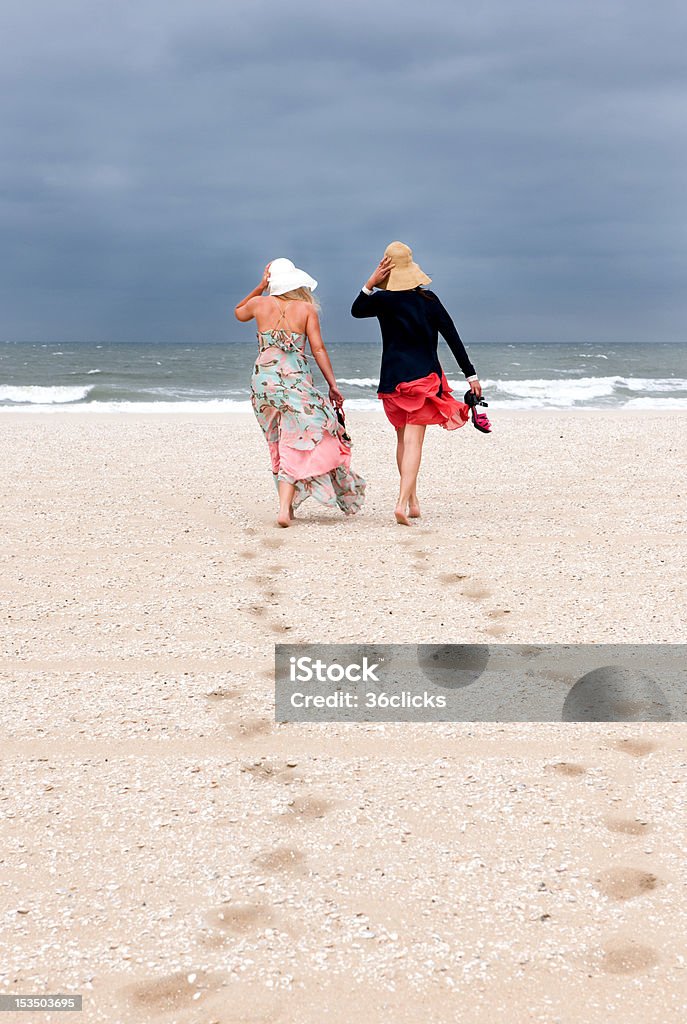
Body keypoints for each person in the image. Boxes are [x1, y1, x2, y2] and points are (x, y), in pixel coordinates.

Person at [351, 241, 482, 525]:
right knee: (414, 443)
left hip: (392, 381)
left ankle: (412, 500)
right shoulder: (429, 301)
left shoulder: (382, 301)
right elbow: (453, 337)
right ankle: (402, 502)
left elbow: (356, 309)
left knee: (401, 440)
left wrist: (370, 283)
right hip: (423, 379)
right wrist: (470, 375)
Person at [235, 258, 365, 527]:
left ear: (273, 282)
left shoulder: (259, 304)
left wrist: (260, 287)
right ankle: (286, 508)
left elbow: (238, 312)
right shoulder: (306, 309)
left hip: (264, 383)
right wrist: (332, 385)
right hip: (295, 382)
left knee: (276, 440)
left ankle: (287, 507)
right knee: (302, 437)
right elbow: (318, 350)